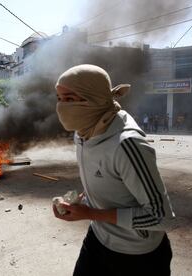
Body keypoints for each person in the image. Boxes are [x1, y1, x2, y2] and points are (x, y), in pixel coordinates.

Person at [52, 64, 175, 276]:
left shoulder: (127, 145)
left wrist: (90, 213)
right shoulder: (82, 132)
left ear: (95, 98)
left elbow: (161, 217)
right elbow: (104, 176)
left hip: (137, 256)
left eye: (70, 99)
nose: (61, 106)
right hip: (98, 239)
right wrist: (77, 199)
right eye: (59, 98)